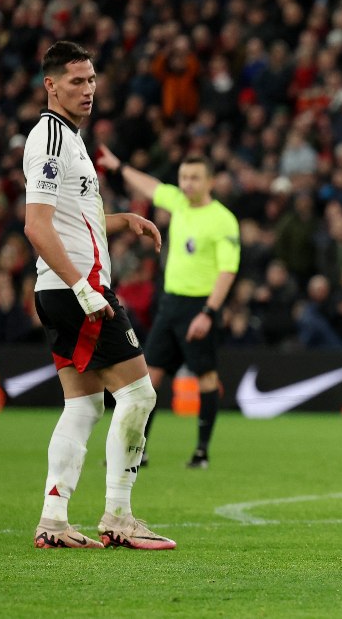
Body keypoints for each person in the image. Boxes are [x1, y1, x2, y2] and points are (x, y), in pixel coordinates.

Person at [24, 41, 175, 549]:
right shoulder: (49, 138)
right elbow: (37, 227)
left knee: (84, 407)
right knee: (139, 394)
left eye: (91, 80)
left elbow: (72, 222)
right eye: (75, 82)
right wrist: (82, 288)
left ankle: (54, 520)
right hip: (76, 290)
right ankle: (119, 516)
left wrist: (122, 221)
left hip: (64, 289)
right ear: (51, 85)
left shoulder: (70, 138)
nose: (87, 90)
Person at [97, 149, 240, 469]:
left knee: (205, 377)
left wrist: (210, 312)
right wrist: (120, 166)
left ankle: (201, 452)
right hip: (171, 304)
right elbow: (151, 187)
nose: (187, 184)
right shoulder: (178, 202)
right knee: (150, 378)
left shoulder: (222, 219)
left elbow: (227, 270)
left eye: (194, 178)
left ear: (210, 182)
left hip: (200, 305)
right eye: (184, 178)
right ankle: (137, 450)